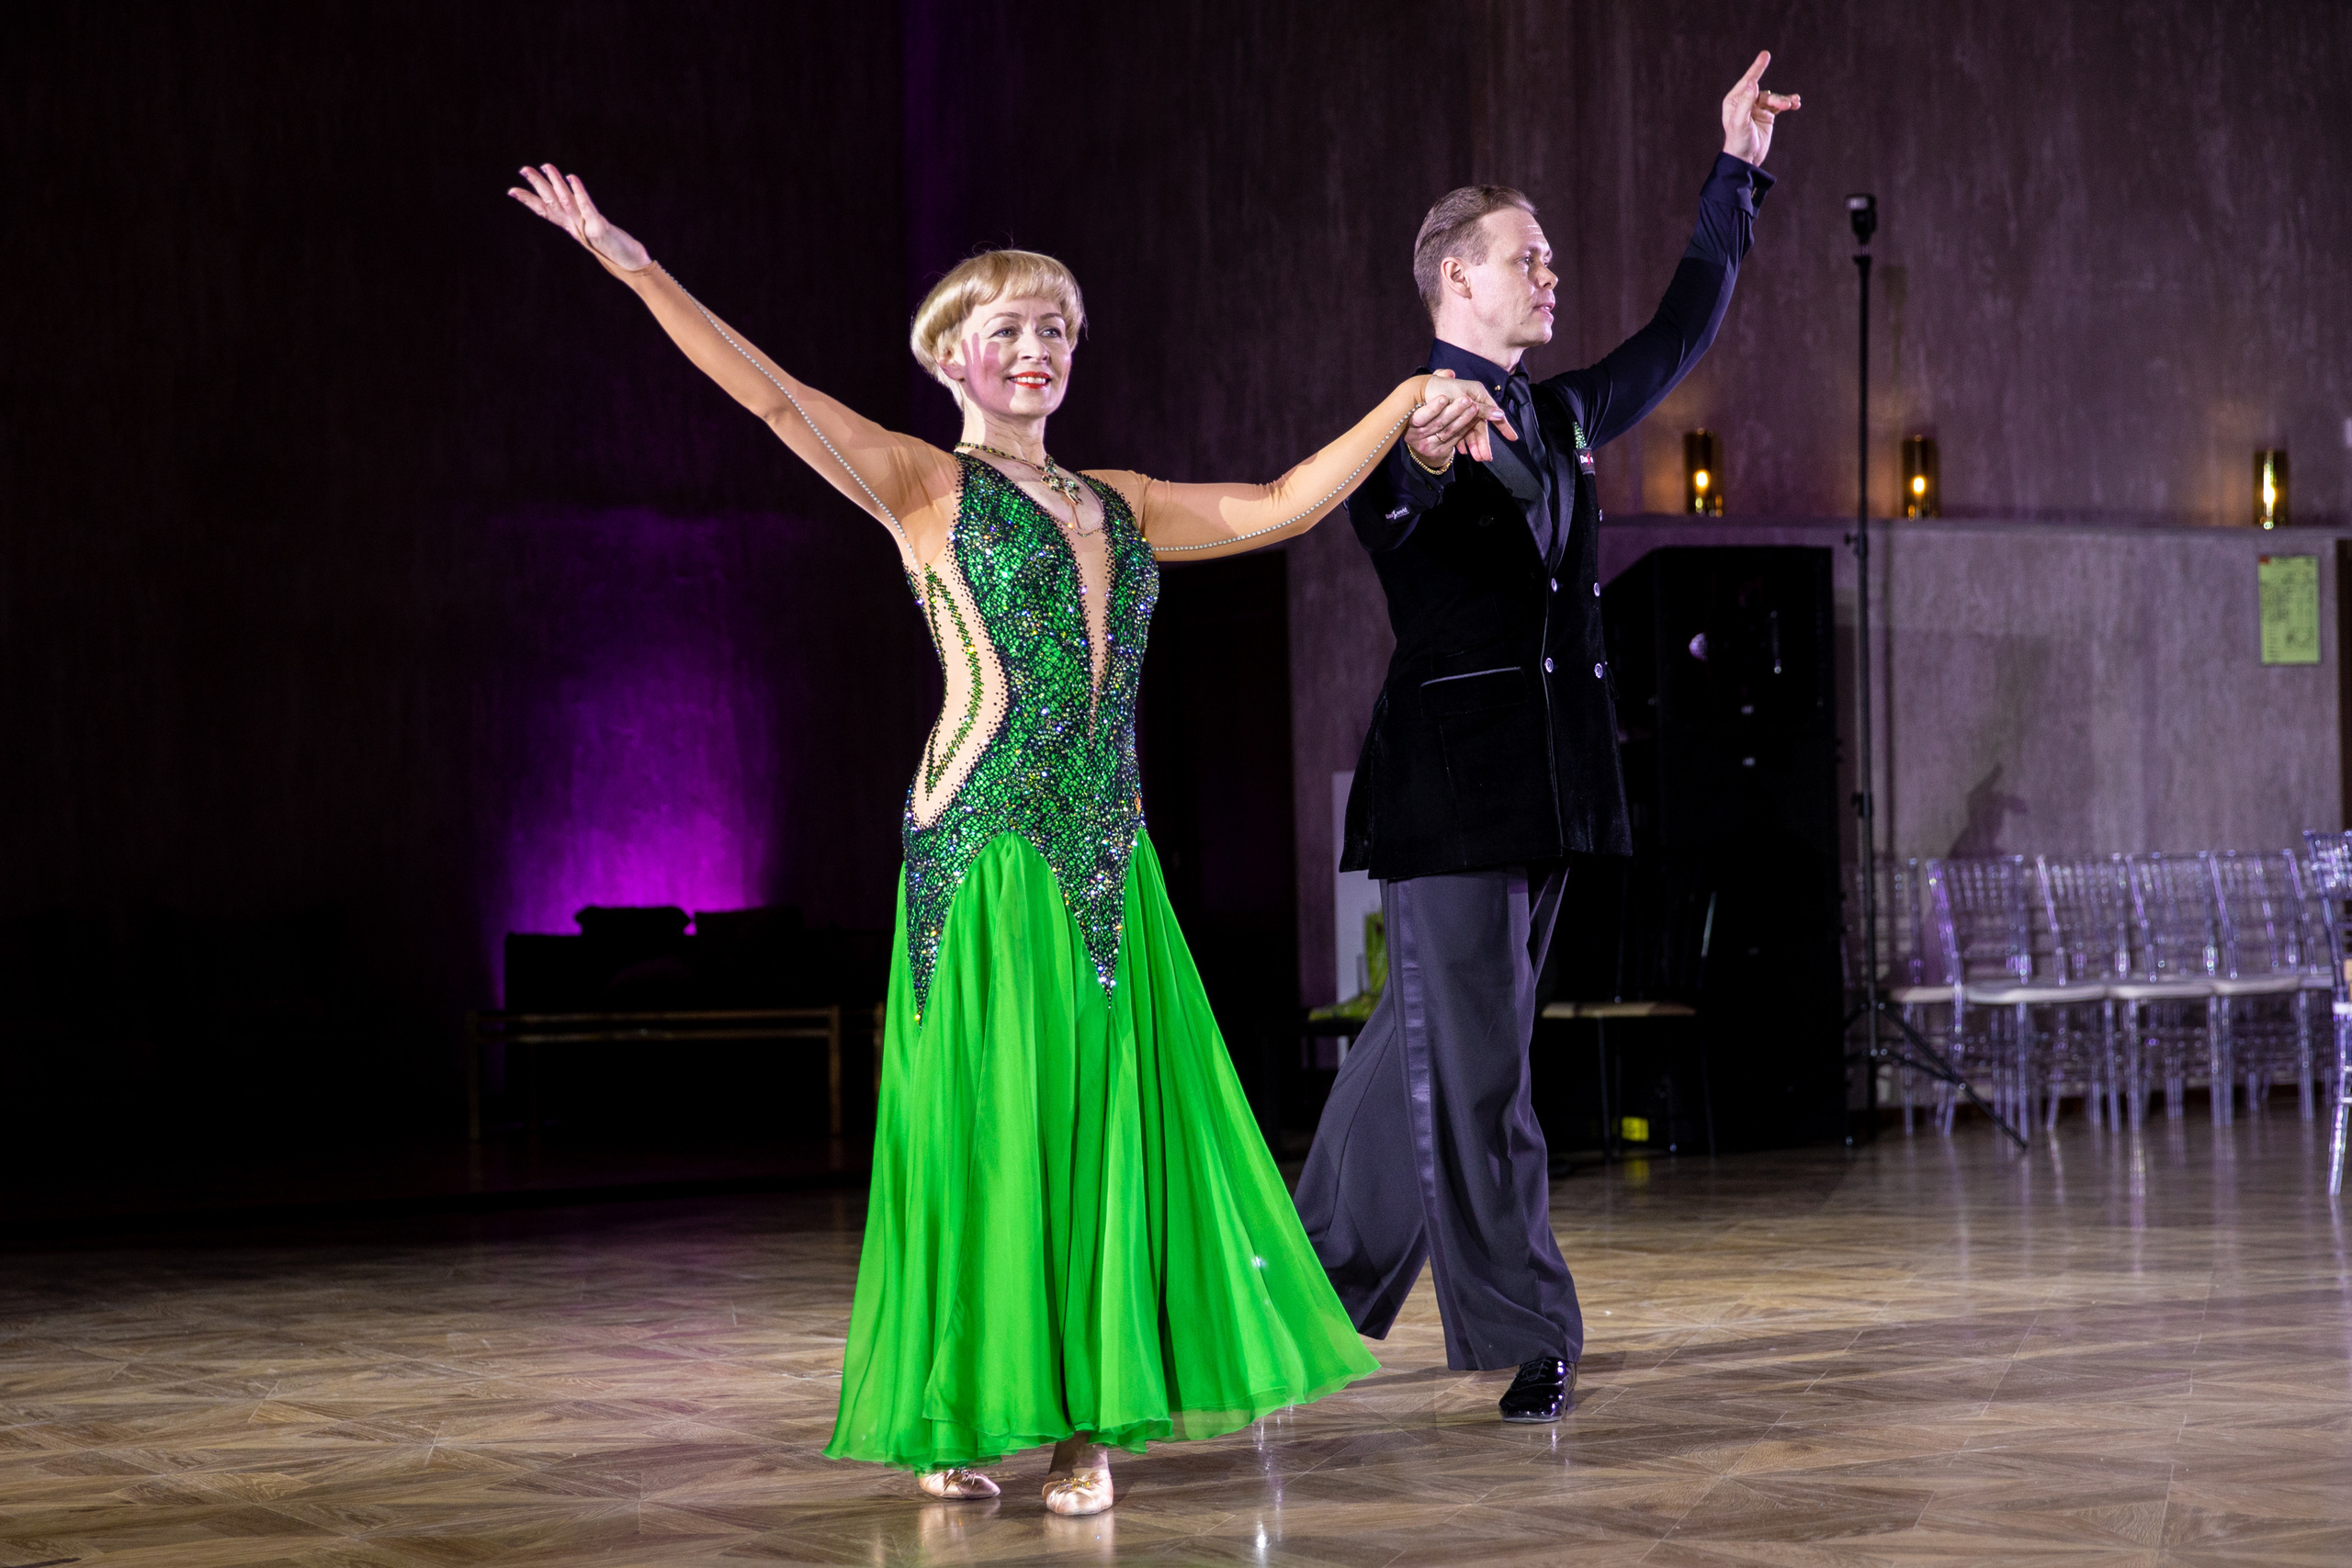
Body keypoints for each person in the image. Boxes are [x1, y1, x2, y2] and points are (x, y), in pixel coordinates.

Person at [508, 163, 1511, 1515]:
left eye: (1057, 332)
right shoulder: (920, 484)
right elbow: (765, 393)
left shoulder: (1121, 500)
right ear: (951, 355)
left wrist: (1404, 398)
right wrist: (630, 259)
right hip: (982, 854)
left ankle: (1085, 1429)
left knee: (1099, 1136)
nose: (1037, 351)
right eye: (1011, 331)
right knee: (990, 1132)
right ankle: (955, 1408)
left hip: (1107, 858)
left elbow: (1280, 503)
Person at [1295, 53, 1800, 1425]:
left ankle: (1289, 1298)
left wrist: (1735, 173)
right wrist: (1424, 460)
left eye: (1553, 256)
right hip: (1452, 796)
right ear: (1457, 279)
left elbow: (1678, 331)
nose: (1551, 272)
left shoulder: (1560, 414)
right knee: (1478, 1067)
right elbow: (1384, 519)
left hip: (1554, 789)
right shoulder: (1416, 418)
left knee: (1431, 1045)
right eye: (1528, 256)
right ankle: (1530, 1325)